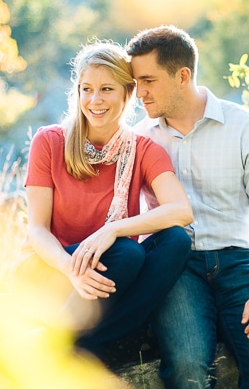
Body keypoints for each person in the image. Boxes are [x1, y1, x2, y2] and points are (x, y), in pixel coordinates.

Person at [126, 26, 249, 389]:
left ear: (182, 76)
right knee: (184, 372)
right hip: (177, 268)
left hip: (241, 263)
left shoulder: (245, 127)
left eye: (148, 81)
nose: (138, 93)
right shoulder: (141, 139)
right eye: (136, 81)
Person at [22, 41, 193, 357]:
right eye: (86, 89)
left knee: (175, 242)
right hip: (52, 269)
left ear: (128, 93)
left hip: (109, 270)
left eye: (106, 89)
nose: (94, 100)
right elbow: (37, 231)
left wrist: (112, 229)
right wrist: (71, 268)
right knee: (127, 254)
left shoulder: (142, 150)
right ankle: (76, 341)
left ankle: (81, 345)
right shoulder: (49, 141)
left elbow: (181, 210)